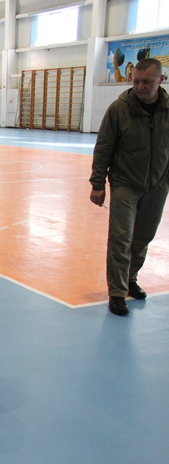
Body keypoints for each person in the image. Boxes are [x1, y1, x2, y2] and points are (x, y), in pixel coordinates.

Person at [89, 58, 169, 316]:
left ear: (161, 80)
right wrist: (98, 183)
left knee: (143, 237)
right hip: (125, 184)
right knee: (121, 239)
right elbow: (103, 147)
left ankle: (131, 278)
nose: (140, 87)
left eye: (147, 82)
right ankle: (117, 292)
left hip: (157, 185)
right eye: (136, 81)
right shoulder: (119, 109)